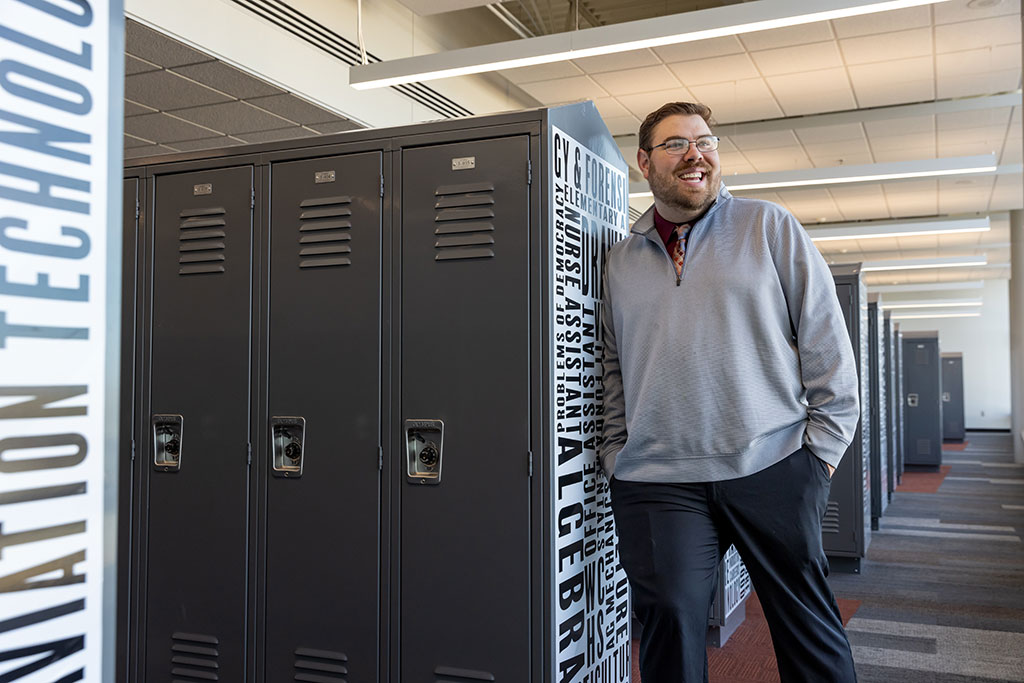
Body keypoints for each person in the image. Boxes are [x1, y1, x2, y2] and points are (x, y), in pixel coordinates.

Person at [600, 101, 860, 682]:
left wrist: (819, 458)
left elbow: (827, 345)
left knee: (807, 631)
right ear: (644, 162)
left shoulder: (768, 227)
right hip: (658, 479)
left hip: (771, 464)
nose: (696, 154)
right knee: (669, 625)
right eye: (676, 144)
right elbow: (614, 367)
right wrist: (618, 454)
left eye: (706, 141)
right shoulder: (620, 261)